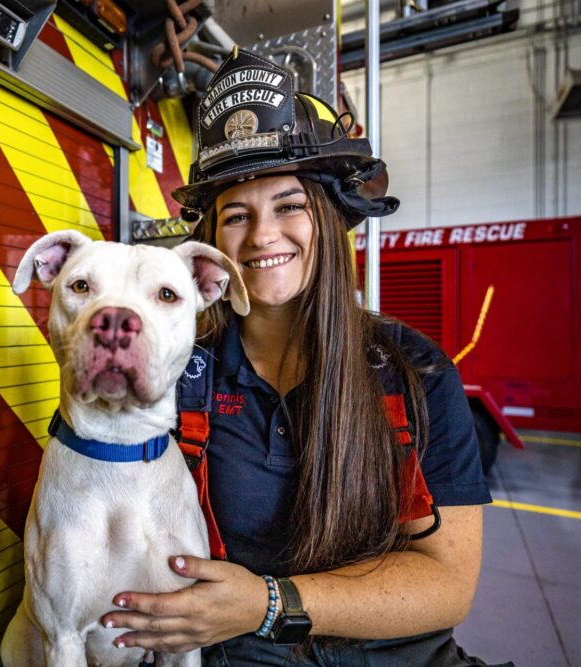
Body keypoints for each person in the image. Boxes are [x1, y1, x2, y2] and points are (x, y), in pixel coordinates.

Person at [97, 48, 506, 666]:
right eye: (236, 214)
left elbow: (448, 583)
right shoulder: (177, 379)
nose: (262, 235)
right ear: (212, 243)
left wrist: (269, 602)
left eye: (289, 205)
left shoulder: (415, 375)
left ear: (331, 218)